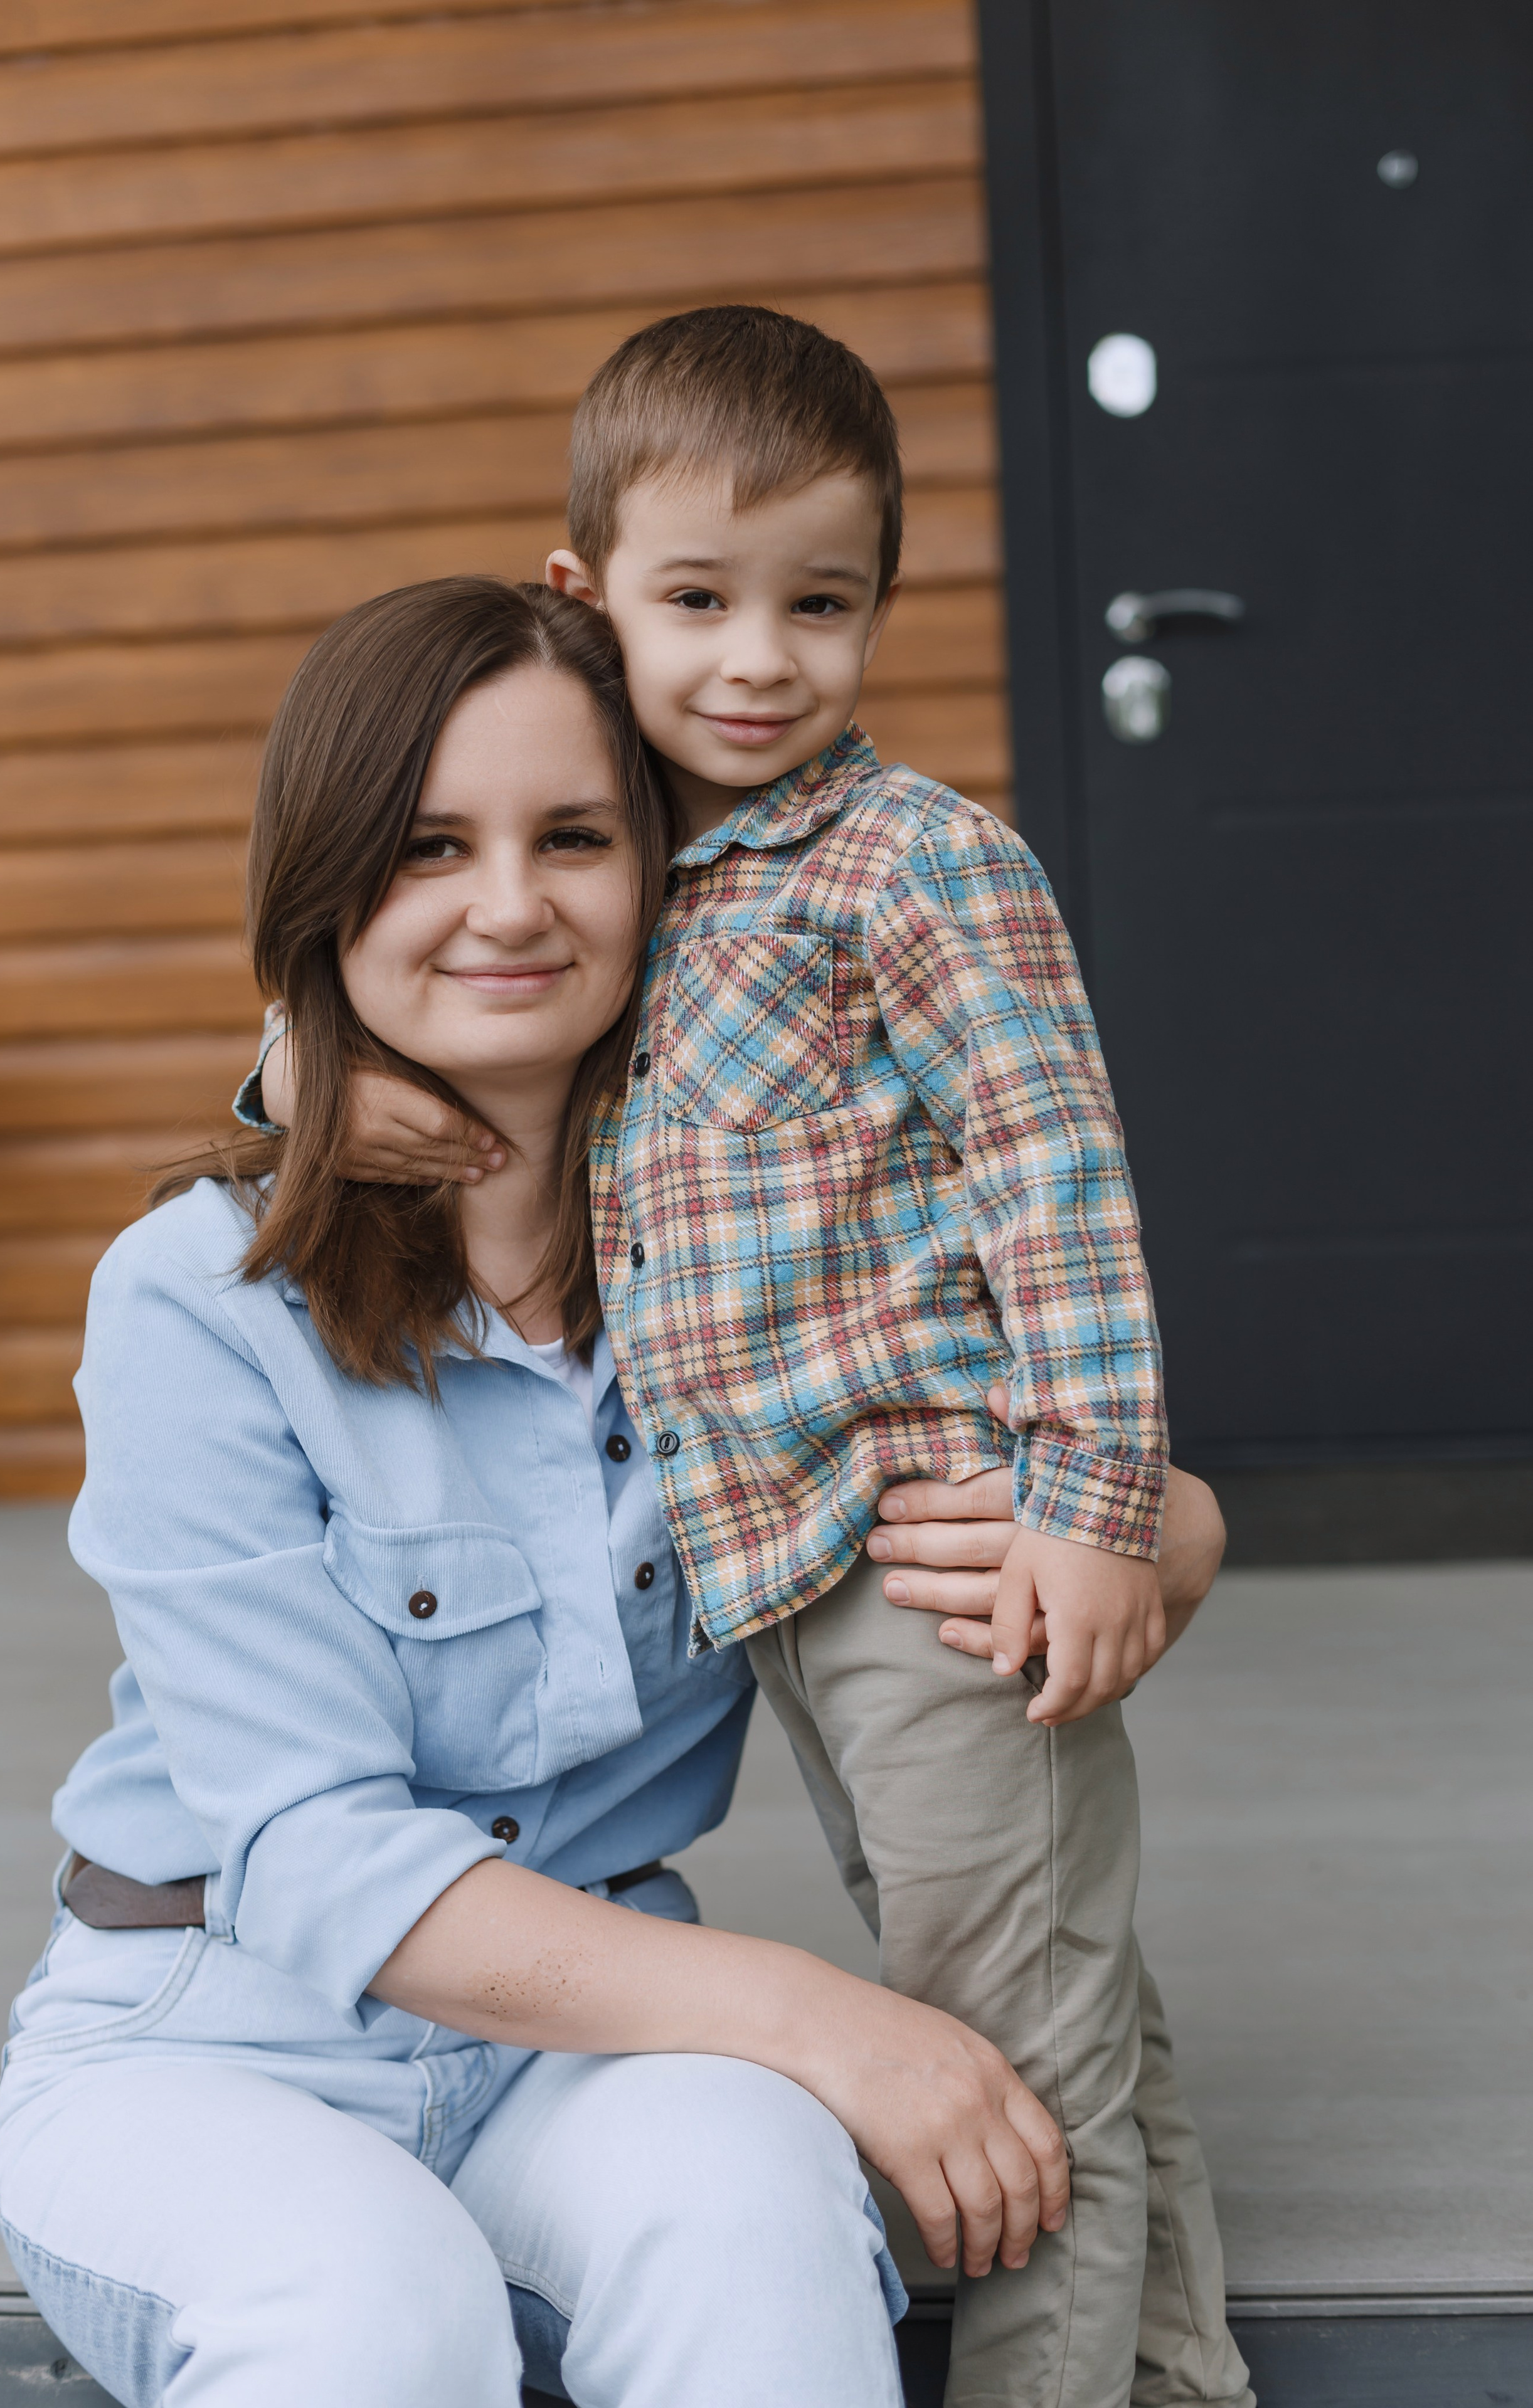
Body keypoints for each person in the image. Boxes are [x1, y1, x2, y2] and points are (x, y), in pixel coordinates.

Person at [253, 309, 1252, 2408]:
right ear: (583, 594)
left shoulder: (916, 867)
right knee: (1058, 1964)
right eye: (695, 600)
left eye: (824, 603)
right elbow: (416, 983)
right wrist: (285, 1091)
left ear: (886, 602)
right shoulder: (626, 862)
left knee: (1014, 2014)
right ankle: (1174, 2375)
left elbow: (1056, 1187)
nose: (757, 660)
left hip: (942, 1546)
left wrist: (1096, 1508)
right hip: (774, 1555)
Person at [0, 579, 1083, 2408]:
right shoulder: (195, 1298)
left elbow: (1031, 1440)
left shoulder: (769, 1282)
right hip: (207, 2043)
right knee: (373, 2304)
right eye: (427, 846)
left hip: (584, 2041)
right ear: (323, 895)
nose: (512, 905)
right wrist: (838, 2024)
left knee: (751, 2203)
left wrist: (1152, 1520)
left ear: (664, 875)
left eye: (573, 836)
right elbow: (323, 1859)